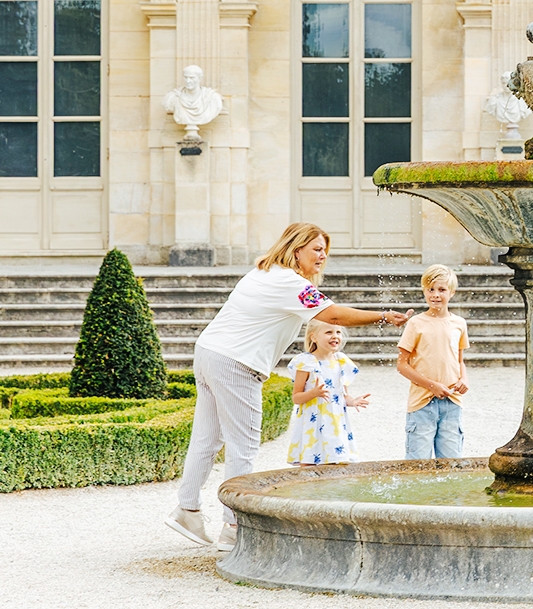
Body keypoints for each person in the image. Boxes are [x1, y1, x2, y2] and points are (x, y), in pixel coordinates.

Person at [165, 222, 412, 551]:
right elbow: (333, 316)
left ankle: (187, 511)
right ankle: (234, 526)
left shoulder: (263, 271)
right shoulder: (290, 282)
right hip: (237, 362)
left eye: (325, 250)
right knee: (244, 446)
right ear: (297, 251)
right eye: (316, 250)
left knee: (207, 439)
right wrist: (383, 315)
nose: (323, 256)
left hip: (210, 352)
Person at [397, 264, 470, 459]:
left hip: (452, 402)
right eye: (430, 289)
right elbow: (402, 365)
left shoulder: (459, 324)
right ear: (424, 291)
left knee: (450, 463)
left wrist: (464, 378)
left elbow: (459, 359)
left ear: (452, 292)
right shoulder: (415, 323)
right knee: (417, 464)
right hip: (422, 403)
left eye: (441, 289)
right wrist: (432, 386)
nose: (435, 295)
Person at [285, 320, 368, 466]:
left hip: (335, 424)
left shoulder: (341, 361)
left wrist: (353, 401)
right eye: (328, 332)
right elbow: (296, 397)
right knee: (309, 466)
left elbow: (343, 395)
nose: (334, 336)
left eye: (338, 332)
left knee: (336, 464)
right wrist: (313, 393)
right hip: (313, 423)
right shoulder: (307, 362)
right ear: (314, 337)